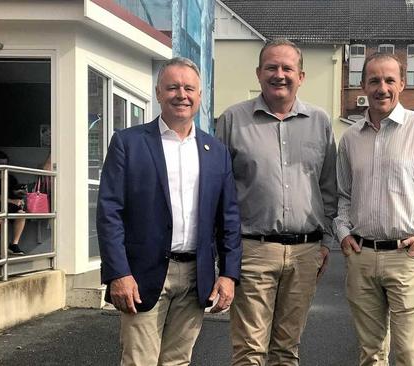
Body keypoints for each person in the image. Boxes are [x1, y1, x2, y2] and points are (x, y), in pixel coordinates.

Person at [97, 57, 242, 365]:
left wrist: (229, 274)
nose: (181, 94)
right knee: (139, 360)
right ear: (159, 92)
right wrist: (118, 273)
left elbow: (228, 218)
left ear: (200, 96)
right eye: (173, 87)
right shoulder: (129, 143)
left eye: (189, 88)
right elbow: (109, 212)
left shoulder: (216, 152)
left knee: (178, 361)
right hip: (141, 275)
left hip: (195, 275)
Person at [334, 53, 414, 366]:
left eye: (389, 80)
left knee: (409, 354)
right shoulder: (351, 139)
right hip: (362, 258)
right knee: (370, 354)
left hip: (407, 258)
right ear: (362, 85)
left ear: (402, 84)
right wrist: (342, 232)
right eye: (374, 80)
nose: (382, 88)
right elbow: (343, 195)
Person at [216, 39, 337, 366]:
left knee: (286, 350)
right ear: (258, 73)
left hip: (305, 251)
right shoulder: (232, 121)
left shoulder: (320, 122)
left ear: (302, 76)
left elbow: (329, 187)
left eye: (287, 68)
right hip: (252, 249)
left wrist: (326, 243)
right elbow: (218, 192)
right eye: (271, 67)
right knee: (249, 351)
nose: (279, 74)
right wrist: (223, 251)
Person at [0, 151, 27, 255]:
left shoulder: (11, 178)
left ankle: (14, 245)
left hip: (7, 204)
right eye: (1, 164)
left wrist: (20, 196)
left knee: (21, 214)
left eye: (6, 164)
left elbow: (14, 192)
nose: (4, 166)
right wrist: (11, 200)